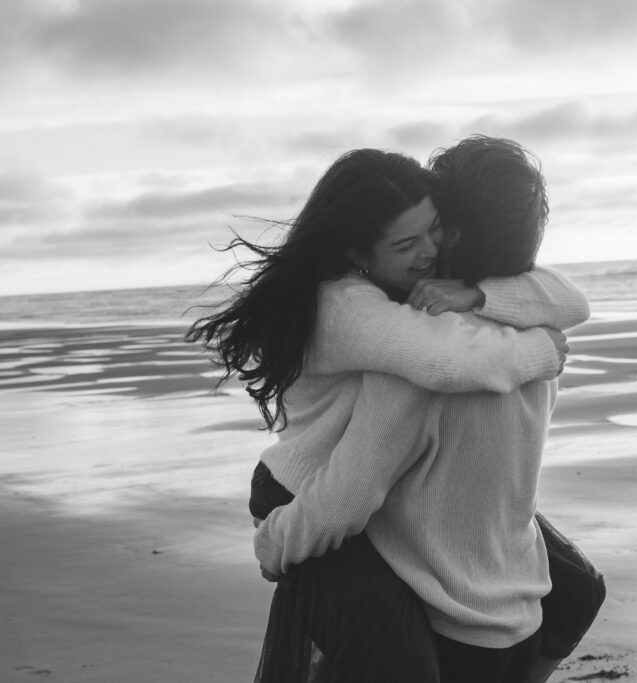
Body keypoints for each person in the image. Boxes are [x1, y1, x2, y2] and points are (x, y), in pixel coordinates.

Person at [187, 146, 588, 682]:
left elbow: (570, 297)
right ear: (358, 252)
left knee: (576, 588)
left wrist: (477, 294)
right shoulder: (350, 308)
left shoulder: (406, 286)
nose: (427, 254)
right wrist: (543, 351)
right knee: (396, 660)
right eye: (406, 243)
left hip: (369, 479)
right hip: (304, 490)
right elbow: (447, 362)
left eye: (435, 230)